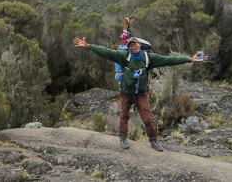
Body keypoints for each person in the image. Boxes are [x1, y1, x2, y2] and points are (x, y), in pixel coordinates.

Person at [73, 36, 207, 151]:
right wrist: (88, 46)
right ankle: (123, 138)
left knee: (148, 118)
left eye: (135, 44)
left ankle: (154, 141)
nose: (133, 46)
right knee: (124, 115)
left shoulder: (149, 58)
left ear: (139, 45)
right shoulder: (123, 56)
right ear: (129, 47)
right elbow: (105, 52)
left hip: (141, 93)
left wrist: (190, 60)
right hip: (126, 92)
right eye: (130, 45)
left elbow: (169, 60)